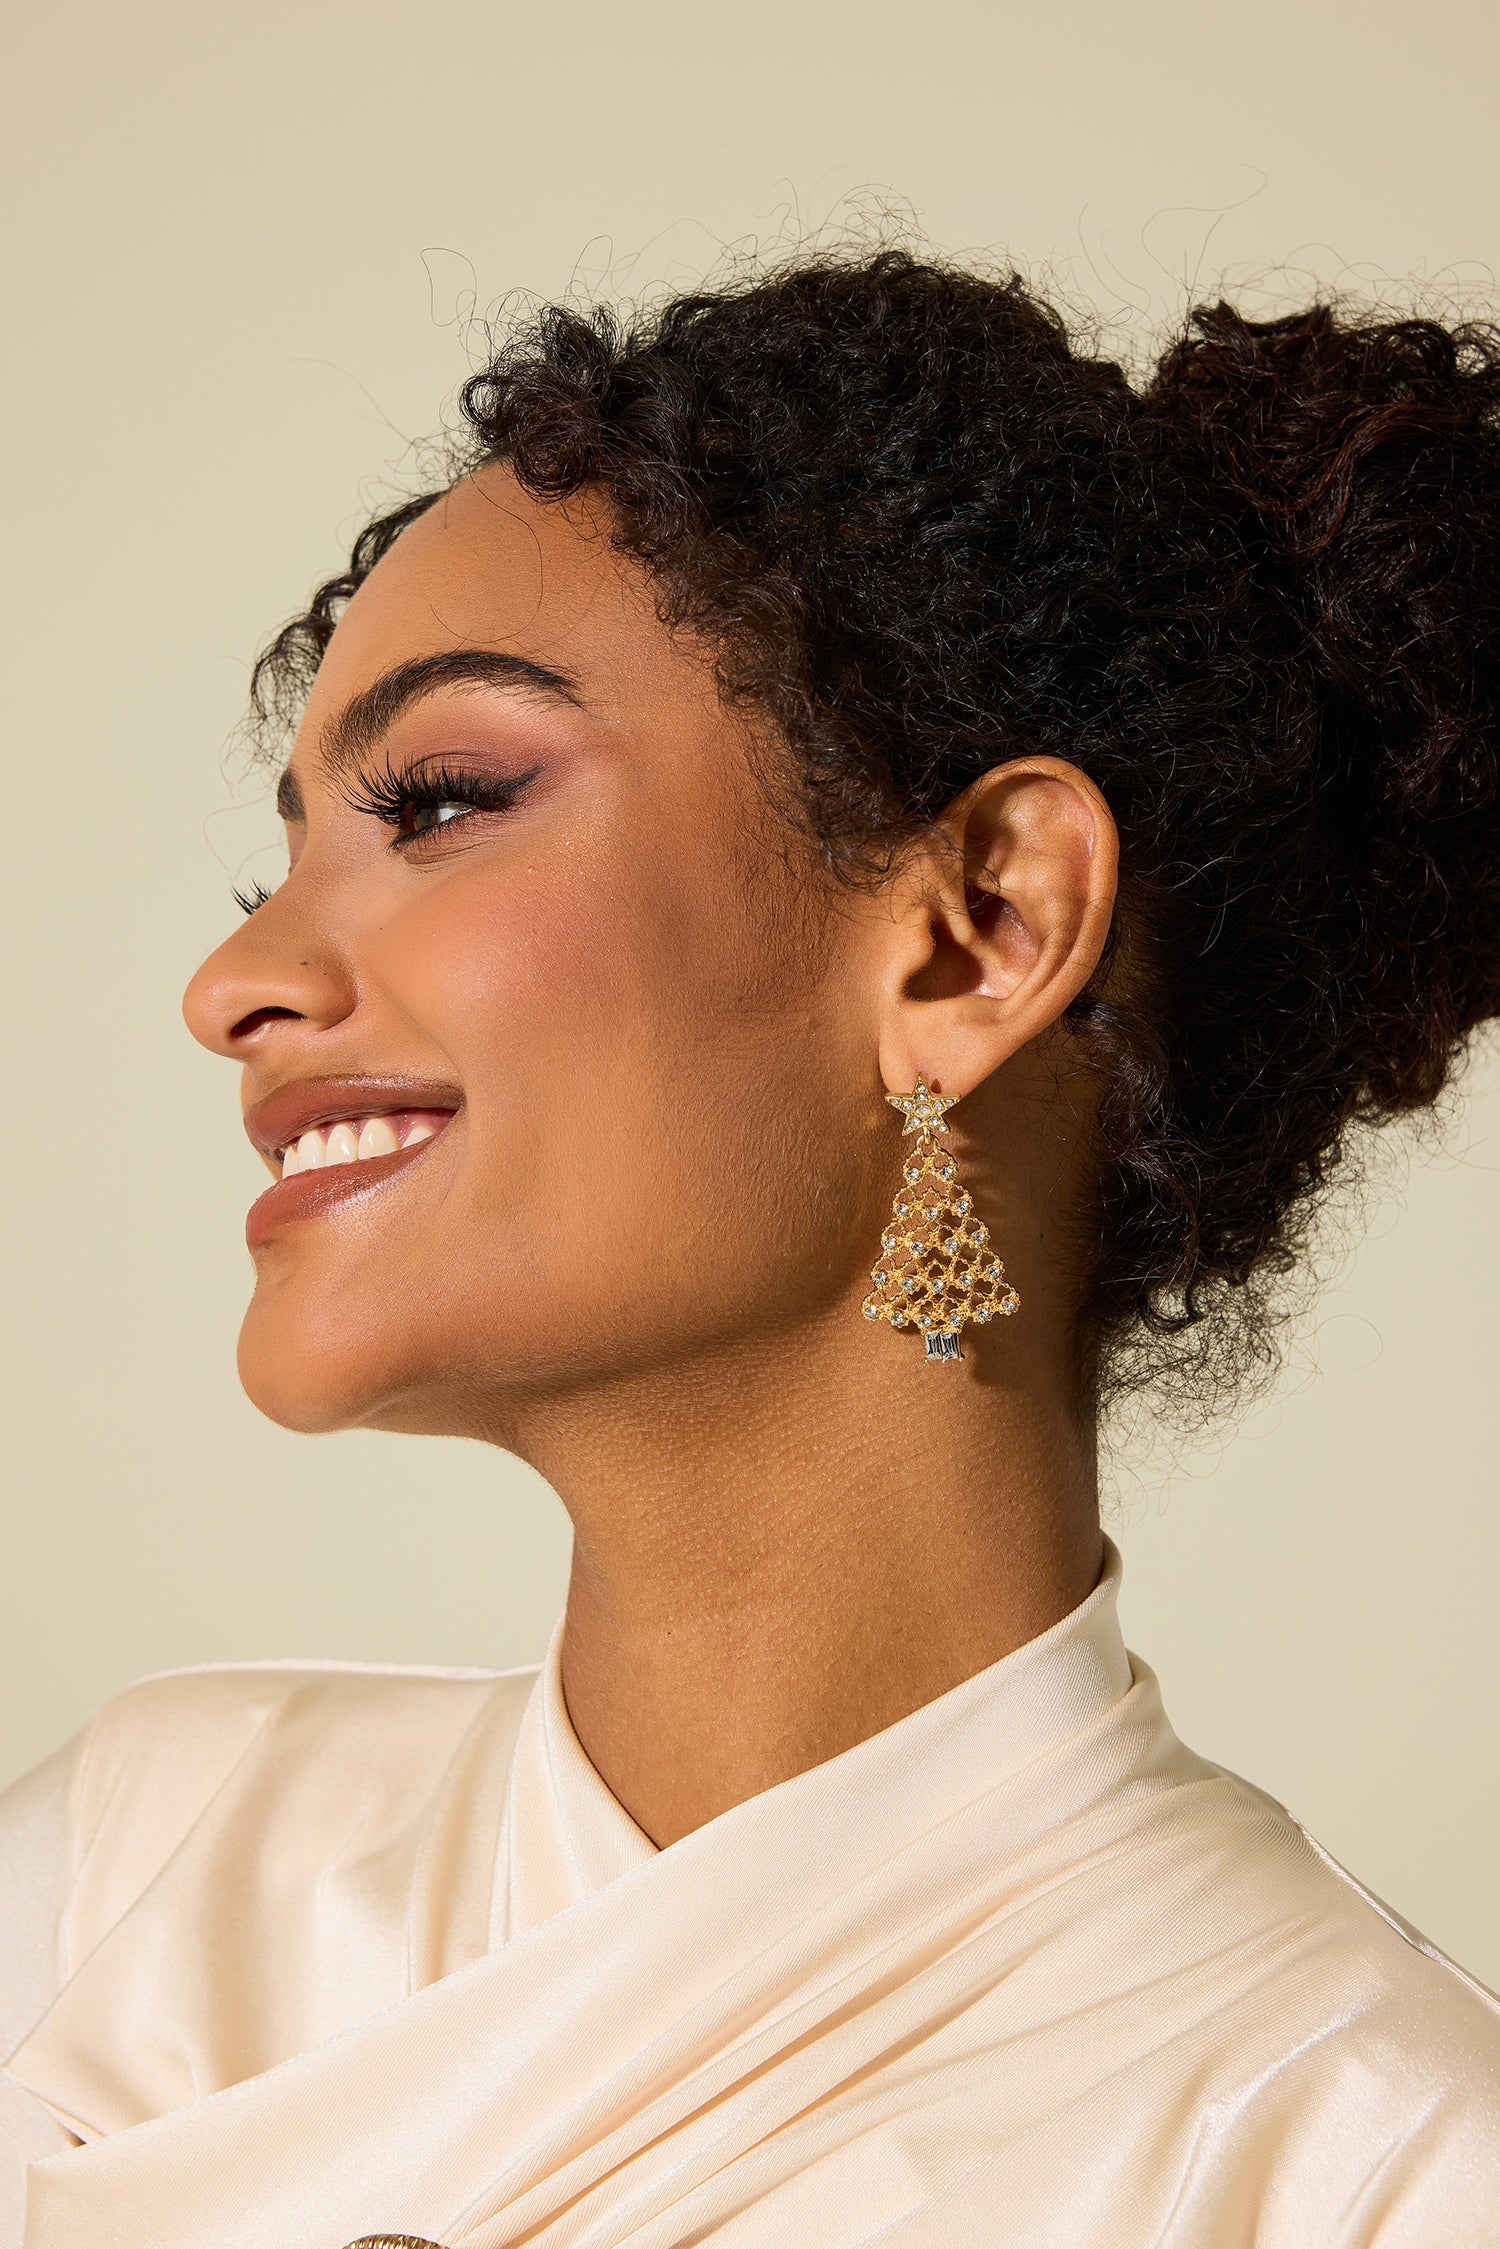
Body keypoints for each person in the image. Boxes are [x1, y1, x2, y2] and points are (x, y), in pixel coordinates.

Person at [2, 249, 1498, 2247]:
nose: (233, 984)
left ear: (977, 933)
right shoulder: (139, 1877)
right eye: (283, 853)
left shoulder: (1365, 2167)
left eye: (440, 801)